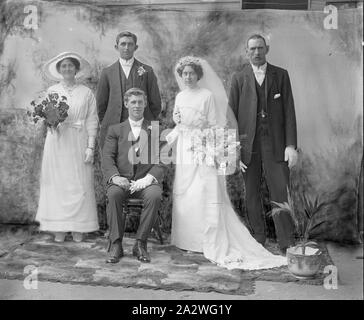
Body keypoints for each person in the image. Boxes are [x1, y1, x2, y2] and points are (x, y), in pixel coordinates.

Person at [168, 56, 287, 270]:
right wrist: (177, 120)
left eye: (191, 73)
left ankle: (204, 241)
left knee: (202, 190)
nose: (187, 77)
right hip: (185, 147)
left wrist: (206, 142)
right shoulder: (179, 96)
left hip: (203, 147)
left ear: (198, 75)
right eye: (184, 73)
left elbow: (215, 125)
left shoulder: (207, 96)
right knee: (185, 192)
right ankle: (187, 239)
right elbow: (178, 121)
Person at [228, 34, 298, 254]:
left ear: (266, 49)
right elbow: (231, 117)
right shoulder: (239, 78)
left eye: (260, 48)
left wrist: (290, 145)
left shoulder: (281, 75)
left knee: (280, 192)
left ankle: (286, 242)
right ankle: (258, 238)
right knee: (251, 194)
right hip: (249, 147)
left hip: (276, 145)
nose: (256, 52)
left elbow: (289, 112)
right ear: (246, 51)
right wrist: (235, 151)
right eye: (252, 49)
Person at [36, 52, 99, 242]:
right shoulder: (52, 91)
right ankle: (59, 227)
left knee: (79, 182)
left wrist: (90, 146)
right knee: (58, 183)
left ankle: (79, 227)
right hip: (57, 141)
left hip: (78, 141)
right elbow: (45, 118)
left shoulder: (86, 92)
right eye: (63, 66)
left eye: (71, 65)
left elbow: (92, 120)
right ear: (59, 69)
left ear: (76, 69)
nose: (67, 69)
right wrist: (52, 121)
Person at [101, 88, 166, 264]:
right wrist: (114, 177)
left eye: (140, 102)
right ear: (126, 104)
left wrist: (148, 179)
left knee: (155, 195)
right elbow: (107, 157)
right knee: (113, 194)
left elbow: (163, 159)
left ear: (145, 104)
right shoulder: (115, 130)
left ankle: (140, 243)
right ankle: (116, 244)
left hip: (146, 182)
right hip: (121, 181)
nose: (137, 105)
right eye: (133, 102)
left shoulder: (155, 129)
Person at [96, 31, 161, 148]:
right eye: (123, 44)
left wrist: (146, 120)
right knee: (114, 162)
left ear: (135, 47)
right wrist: (108, 121)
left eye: (130, 44)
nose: (126, 48)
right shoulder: (107, 73)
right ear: (117, 47)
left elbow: (155, 103)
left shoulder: (147, 71)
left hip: (141, 127)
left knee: (141, 163)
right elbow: (101, 104)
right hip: (114, 127)